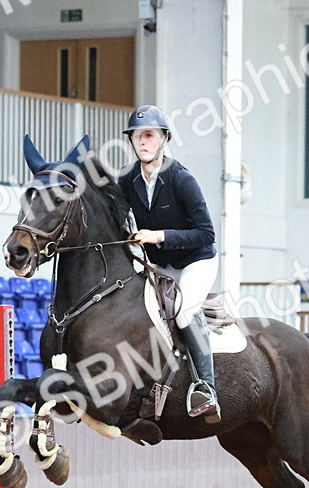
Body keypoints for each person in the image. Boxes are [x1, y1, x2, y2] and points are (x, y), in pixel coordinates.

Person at [117, 104, 220, 421]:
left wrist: (158, 235)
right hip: (158, 265)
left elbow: (206, 233)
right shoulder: (127, 179)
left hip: (195, 261)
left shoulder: (180, 179)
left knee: (183, 310)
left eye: (149, 135)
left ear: (163, 139)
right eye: (137, 136)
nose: (142, 142)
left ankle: (207, 388)